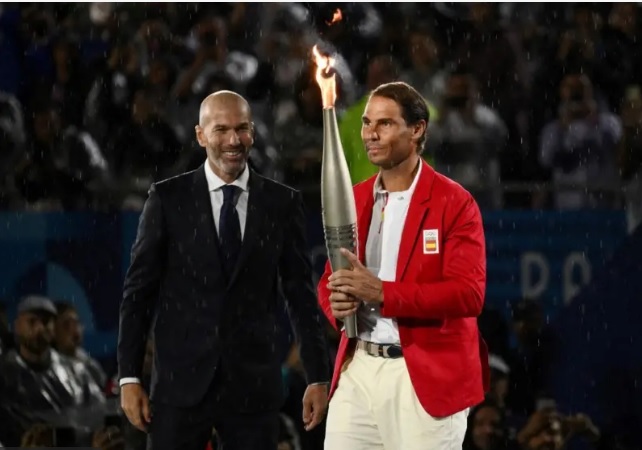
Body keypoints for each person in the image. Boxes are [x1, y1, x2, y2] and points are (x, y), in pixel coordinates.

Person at [118, 91, 331, 450]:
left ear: (254, 132)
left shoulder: (281, 203)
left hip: (253, 390)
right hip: (179, 387)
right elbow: (138, 294)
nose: (233, 141)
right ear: (200, 135)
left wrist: (317, 376)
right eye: (221, 130)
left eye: (242, 129)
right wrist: (129, 377)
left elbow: (300, 295)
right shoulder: (168, 199)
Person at [317, 81, 490, 449]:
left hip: (424, 377)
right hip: (358, 368)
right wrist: (335, 304)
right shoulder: (356, 197)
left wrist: (382, 293)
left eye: (385, 124)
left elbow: (468, 295)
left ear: (417, 129)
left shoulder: (454, 202)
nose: (370, 135)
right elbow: (330, 280)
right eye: (367, 123)